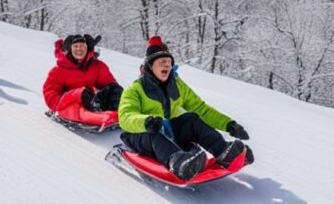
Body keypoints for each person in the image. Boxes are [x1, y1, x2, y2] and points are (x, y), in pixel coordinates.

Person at [118, 36, 253, 181]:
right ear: (150, 66)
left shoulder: (176, 84)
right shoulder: (136, 89)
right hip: (140, 134)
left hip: (168, 131)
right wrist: (147, 122)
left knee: (192, 119)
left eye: (169, 62)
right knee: (155, 132)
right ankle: (179, 163)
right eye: (162, 62)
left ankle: (224, 152)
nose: (167, 65)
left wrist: (228, 124)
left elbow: (201, 108)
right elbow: (125, 117)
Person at [43, 34, 122, 116]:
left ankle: (118, 112)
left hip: (92, 103)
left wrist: (114, 92)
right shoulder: (59, 71)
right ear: (70, 50)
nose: (79, 49)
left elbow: (108, 81)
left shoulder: (97, 66)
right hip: (71, 106)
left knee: (114, 89)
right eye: (76, 46)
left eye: (82, 46)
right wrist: (60, 106)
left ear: (87, 49)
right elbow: (51, 93)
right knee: (83, 93)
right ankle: (96, 114)